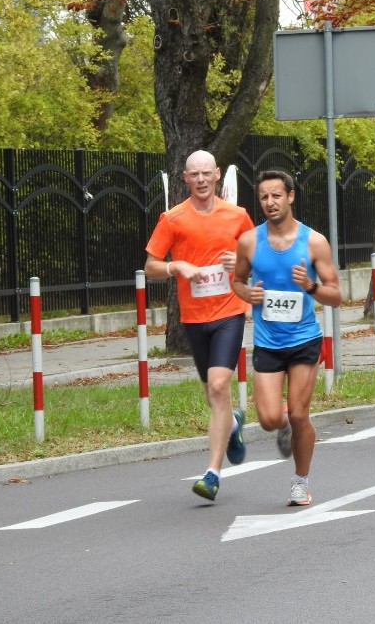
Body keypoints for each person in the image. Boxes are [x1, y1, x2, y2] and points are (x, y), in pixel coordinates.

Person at [144, 150, 255, 502]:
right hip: (194, 317)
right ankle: (234, 423)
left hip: (229, 311)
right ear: (185, 178)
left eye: (208, 173)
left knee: (221, 386)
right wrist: (177, 268)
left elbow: (259, 258)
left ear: (217, 174)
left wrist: (239, 261)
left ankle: (212, 473)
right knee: (213, 395)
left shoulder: (237, 216)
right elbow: (151, 266)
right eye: (195, 174)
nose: (202, 179)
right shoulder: (173, 219)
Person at [232, 169, 341, 506]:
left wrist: (310, 286)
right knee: (268, 419)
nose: (270, 202)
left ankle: (300, 480)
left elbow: (336, 295)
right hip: (268, 341)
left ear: (290, 197)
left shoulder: (314, 242)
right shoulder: (250, 241)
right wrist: (247, 294)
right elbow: (236, 280)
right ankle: (283, 425)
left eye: (276, 195)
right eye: (264, 197)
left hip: (305, 339)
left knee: (298, 414)